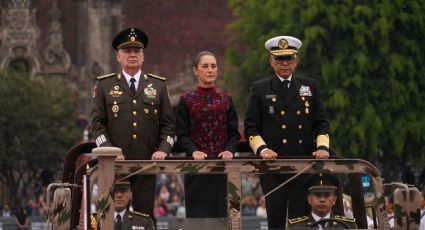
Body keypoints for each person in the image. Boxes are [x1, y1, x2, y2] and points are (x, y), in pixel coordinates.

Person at [244, 35, 330, 229]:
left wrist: (323, 146)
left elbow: (321, 123)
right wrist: (262, 149)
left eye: (289, 59)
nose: (284, 64)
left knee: (301, 219)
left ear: (296, 61)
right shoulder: (260, 88)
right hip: (273, 165)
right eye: (279, 60)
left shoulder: (309, 86)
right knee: (276, 218)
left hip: (303, 164)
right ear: (271, 62)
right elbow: (251, 127)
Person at [91, 27, 175, 220]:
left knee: (144, 217)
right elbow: (97, 124)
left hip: (147, 163)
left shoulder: (158, 85)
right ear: (118, 57)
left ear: (143, 56)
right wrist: (109, 150)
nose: (132, 55)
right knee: (111, 216)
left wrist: (163, 149)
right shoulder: (104, 85)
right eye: (127, 51)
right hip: (114, 165)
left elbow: (169, 126)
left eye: (137, 51)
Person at [175, 51, 240, 217]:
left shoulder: (226, 99)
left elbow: (234, 133)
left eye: (213, 66)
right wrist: (193, 151)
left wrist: (229, 150)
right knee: (198, 219)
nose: (210, 70)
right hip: (196, 167)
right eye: (205, 66)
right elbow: (182, 134)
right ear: (196, 71)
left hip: (223, 166)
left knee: (223, 217)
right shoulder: (186, 100)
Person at [287, 173, 357, 229]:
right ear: (309, 199)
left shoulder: (348, 226)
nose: (322, 200)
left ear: (334, 199)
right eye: (317, 195)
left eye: (327, 195)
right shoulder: (295, 227)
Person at [90, 180, 155, 230]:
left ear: (130, 194)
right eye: (114, 191)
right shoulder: (93, 221)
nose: (119, 195)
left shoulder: (143, 222)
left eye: (123, 191)